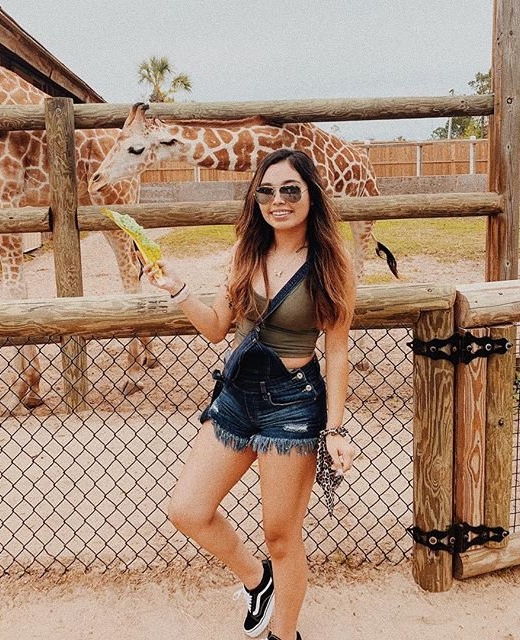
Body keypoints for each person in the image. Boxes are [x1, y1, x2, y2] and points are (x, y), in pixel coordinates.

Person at [143, 148, 356, 640]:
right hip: (236, 399)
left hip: (292, 407)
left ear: (311, 195)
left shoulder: (330, 262)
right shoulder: (247, 250)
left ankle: (285, 634)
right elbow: (217, 327)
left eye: (290, 190)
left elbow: (337, 349)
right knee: (187, 510)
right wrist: (178, 289)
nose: (277, 200)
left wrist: (335, 428)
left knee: (281, 537)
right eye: (266, 191)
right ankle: (258, 582)